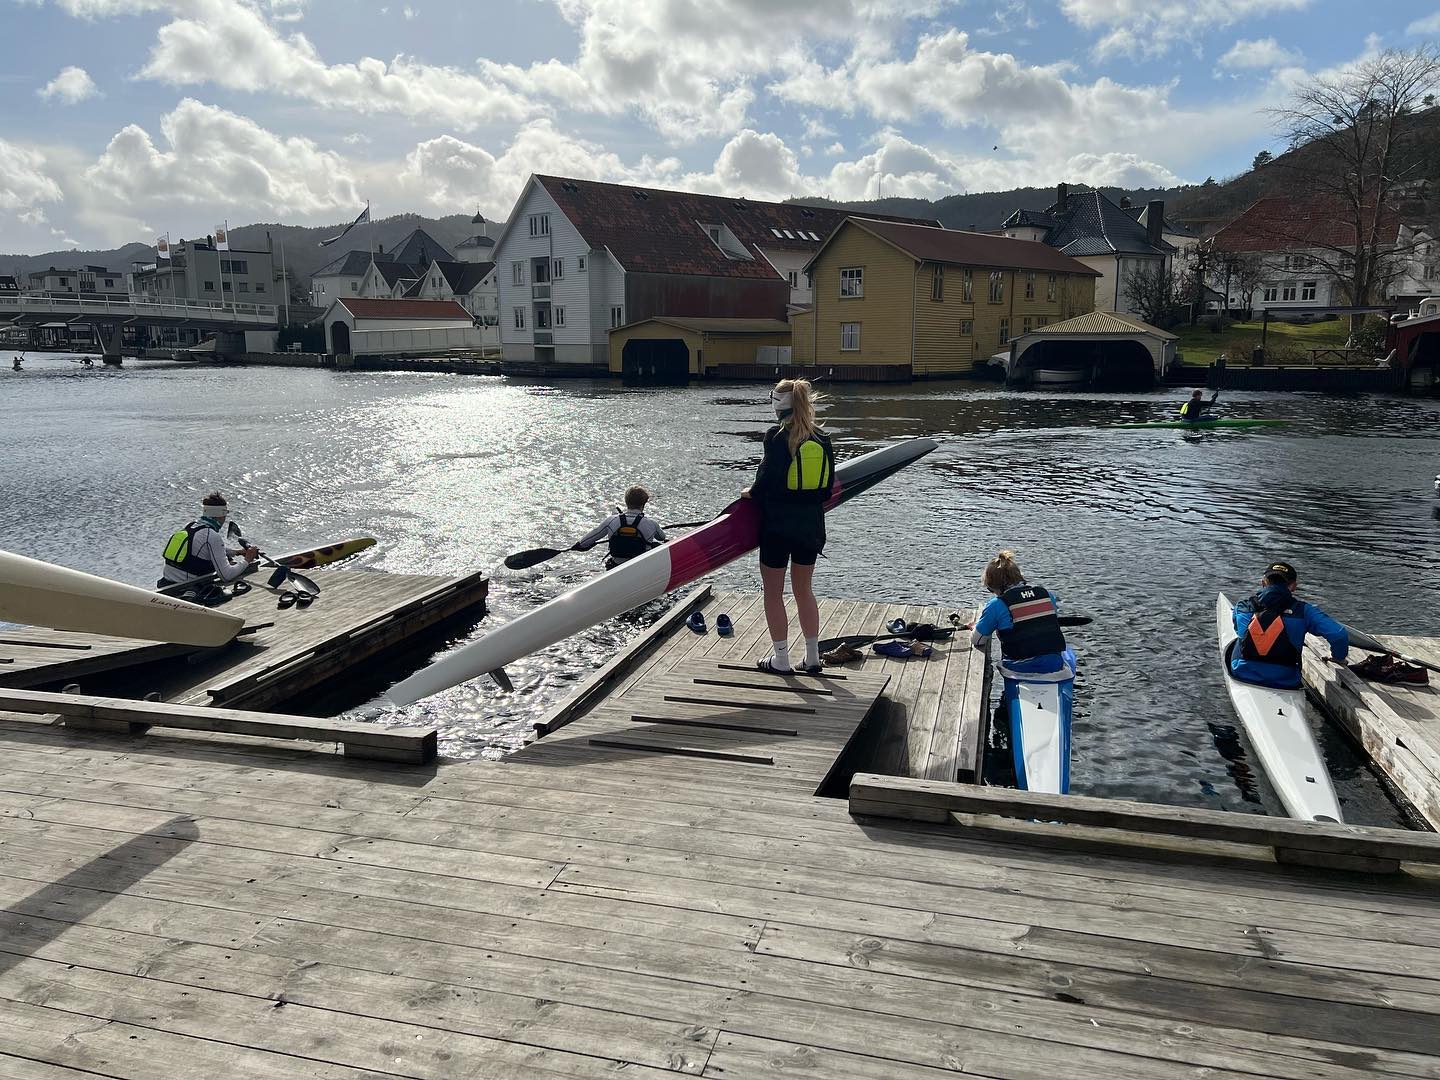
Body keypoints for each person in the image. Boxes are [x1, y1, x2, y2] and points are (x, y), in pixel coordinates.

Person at [744, 378, 836, 674]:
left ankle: (781, 659)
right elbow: (825, 491)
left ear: (777, 404)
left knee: (773, 593)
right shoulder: (822, 438)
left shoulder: (775, 436)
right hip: (810, 527)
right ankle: (812, 657)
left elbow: (766, 480)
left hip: (778, 527)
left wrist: (750, 494)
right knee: (803, 591)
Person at [1230, 561, 1347, 689]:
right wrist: (1338, 658)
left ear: (1263, 583)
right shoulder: (1305, 611)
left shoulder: (1243, 607)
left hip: (1243, 674)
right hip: (1286, 680)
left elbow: (1238, 631)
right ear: (1293, 586)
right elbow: (1339, 634)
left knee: (1238, 639)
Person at [969, 551, 1075, 687]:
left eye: (990, 589)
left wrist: (975, 627)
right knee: (1067, 652)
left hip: (1019, 669)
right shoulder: (1047, 595)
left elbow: (977, 640)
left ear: (994, 586)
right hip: (1053, 666)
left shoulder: (997, 604)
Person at [159, 491, 259, 603]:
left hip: (167, 583)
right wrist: (247, 560)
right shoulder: (211, 536)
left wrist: (237, 552)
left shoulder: (191, 526)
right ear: (221, 515)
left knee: (227, 561)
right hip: (185, 587)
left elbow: (199, 549)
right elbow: (226, 576)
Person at [575, 485, 667, 568]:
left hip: (616, 567)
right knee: (654, 544)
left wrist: (578, 545)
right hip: (641, 567)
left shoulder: (611, 520)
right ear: (644, 504)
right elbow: (662, 537)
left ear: (626, 502)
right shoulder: (651, 523)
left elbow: (585, 542)